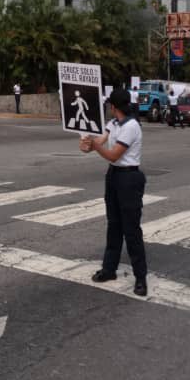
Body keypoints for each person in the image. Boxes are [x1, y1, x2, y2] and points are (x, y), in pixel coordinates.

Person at [80, 87, 148, 297]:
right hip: (114, 177)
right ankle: (109, 269)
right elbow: (100, 142)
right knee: (114, 225)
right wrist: (87, 143)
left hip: (129, 178)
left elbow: (113, 155)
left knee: (131, 229)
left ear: (113, 106)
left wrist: (95, 147)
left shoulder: (131, 126)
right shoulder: (114, 123)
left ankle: (140, 278)